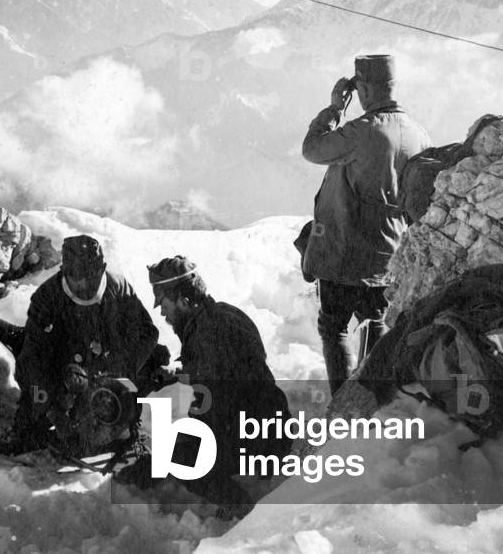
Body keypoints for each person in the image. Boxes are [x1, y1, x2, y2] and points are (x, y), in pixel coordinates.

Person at [301, 54, 430, 394]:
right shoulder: (419, 135)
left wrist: (334, 109)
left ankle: (342, 406)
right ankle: (376, 400)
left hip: (344, 251)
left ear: (365, 88)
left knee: (334, 328)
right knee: (376, 324)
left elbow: (312, 150)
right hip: (389, 253)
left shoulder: (361, 131)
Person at [117, 256, 290, 507]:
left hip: (255, 438)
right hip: (271, 426)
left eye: (164, 303)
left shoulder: (205, 335)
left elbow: (213, 409)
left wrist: (165, 458)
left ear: (183, 300)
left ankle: (240, 507)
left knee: (182, 459)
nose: (162, 312)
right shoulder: (225, 314)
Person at [0, 235, 159, 456]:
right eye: (76, 277)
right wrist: (51, 408)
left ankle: (122, 426)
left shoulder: (119, 289)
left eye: (89, 276)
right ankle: (28, 427)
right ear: (65, 271)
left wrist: (119, 370)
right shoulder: (46, 297)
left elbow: (147, 333)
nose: (82, 284)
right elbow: (32, 359)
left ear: (101, 269)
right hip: (62, 367)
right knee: (37, 407)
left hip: (108, 366)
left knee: (152, 365)